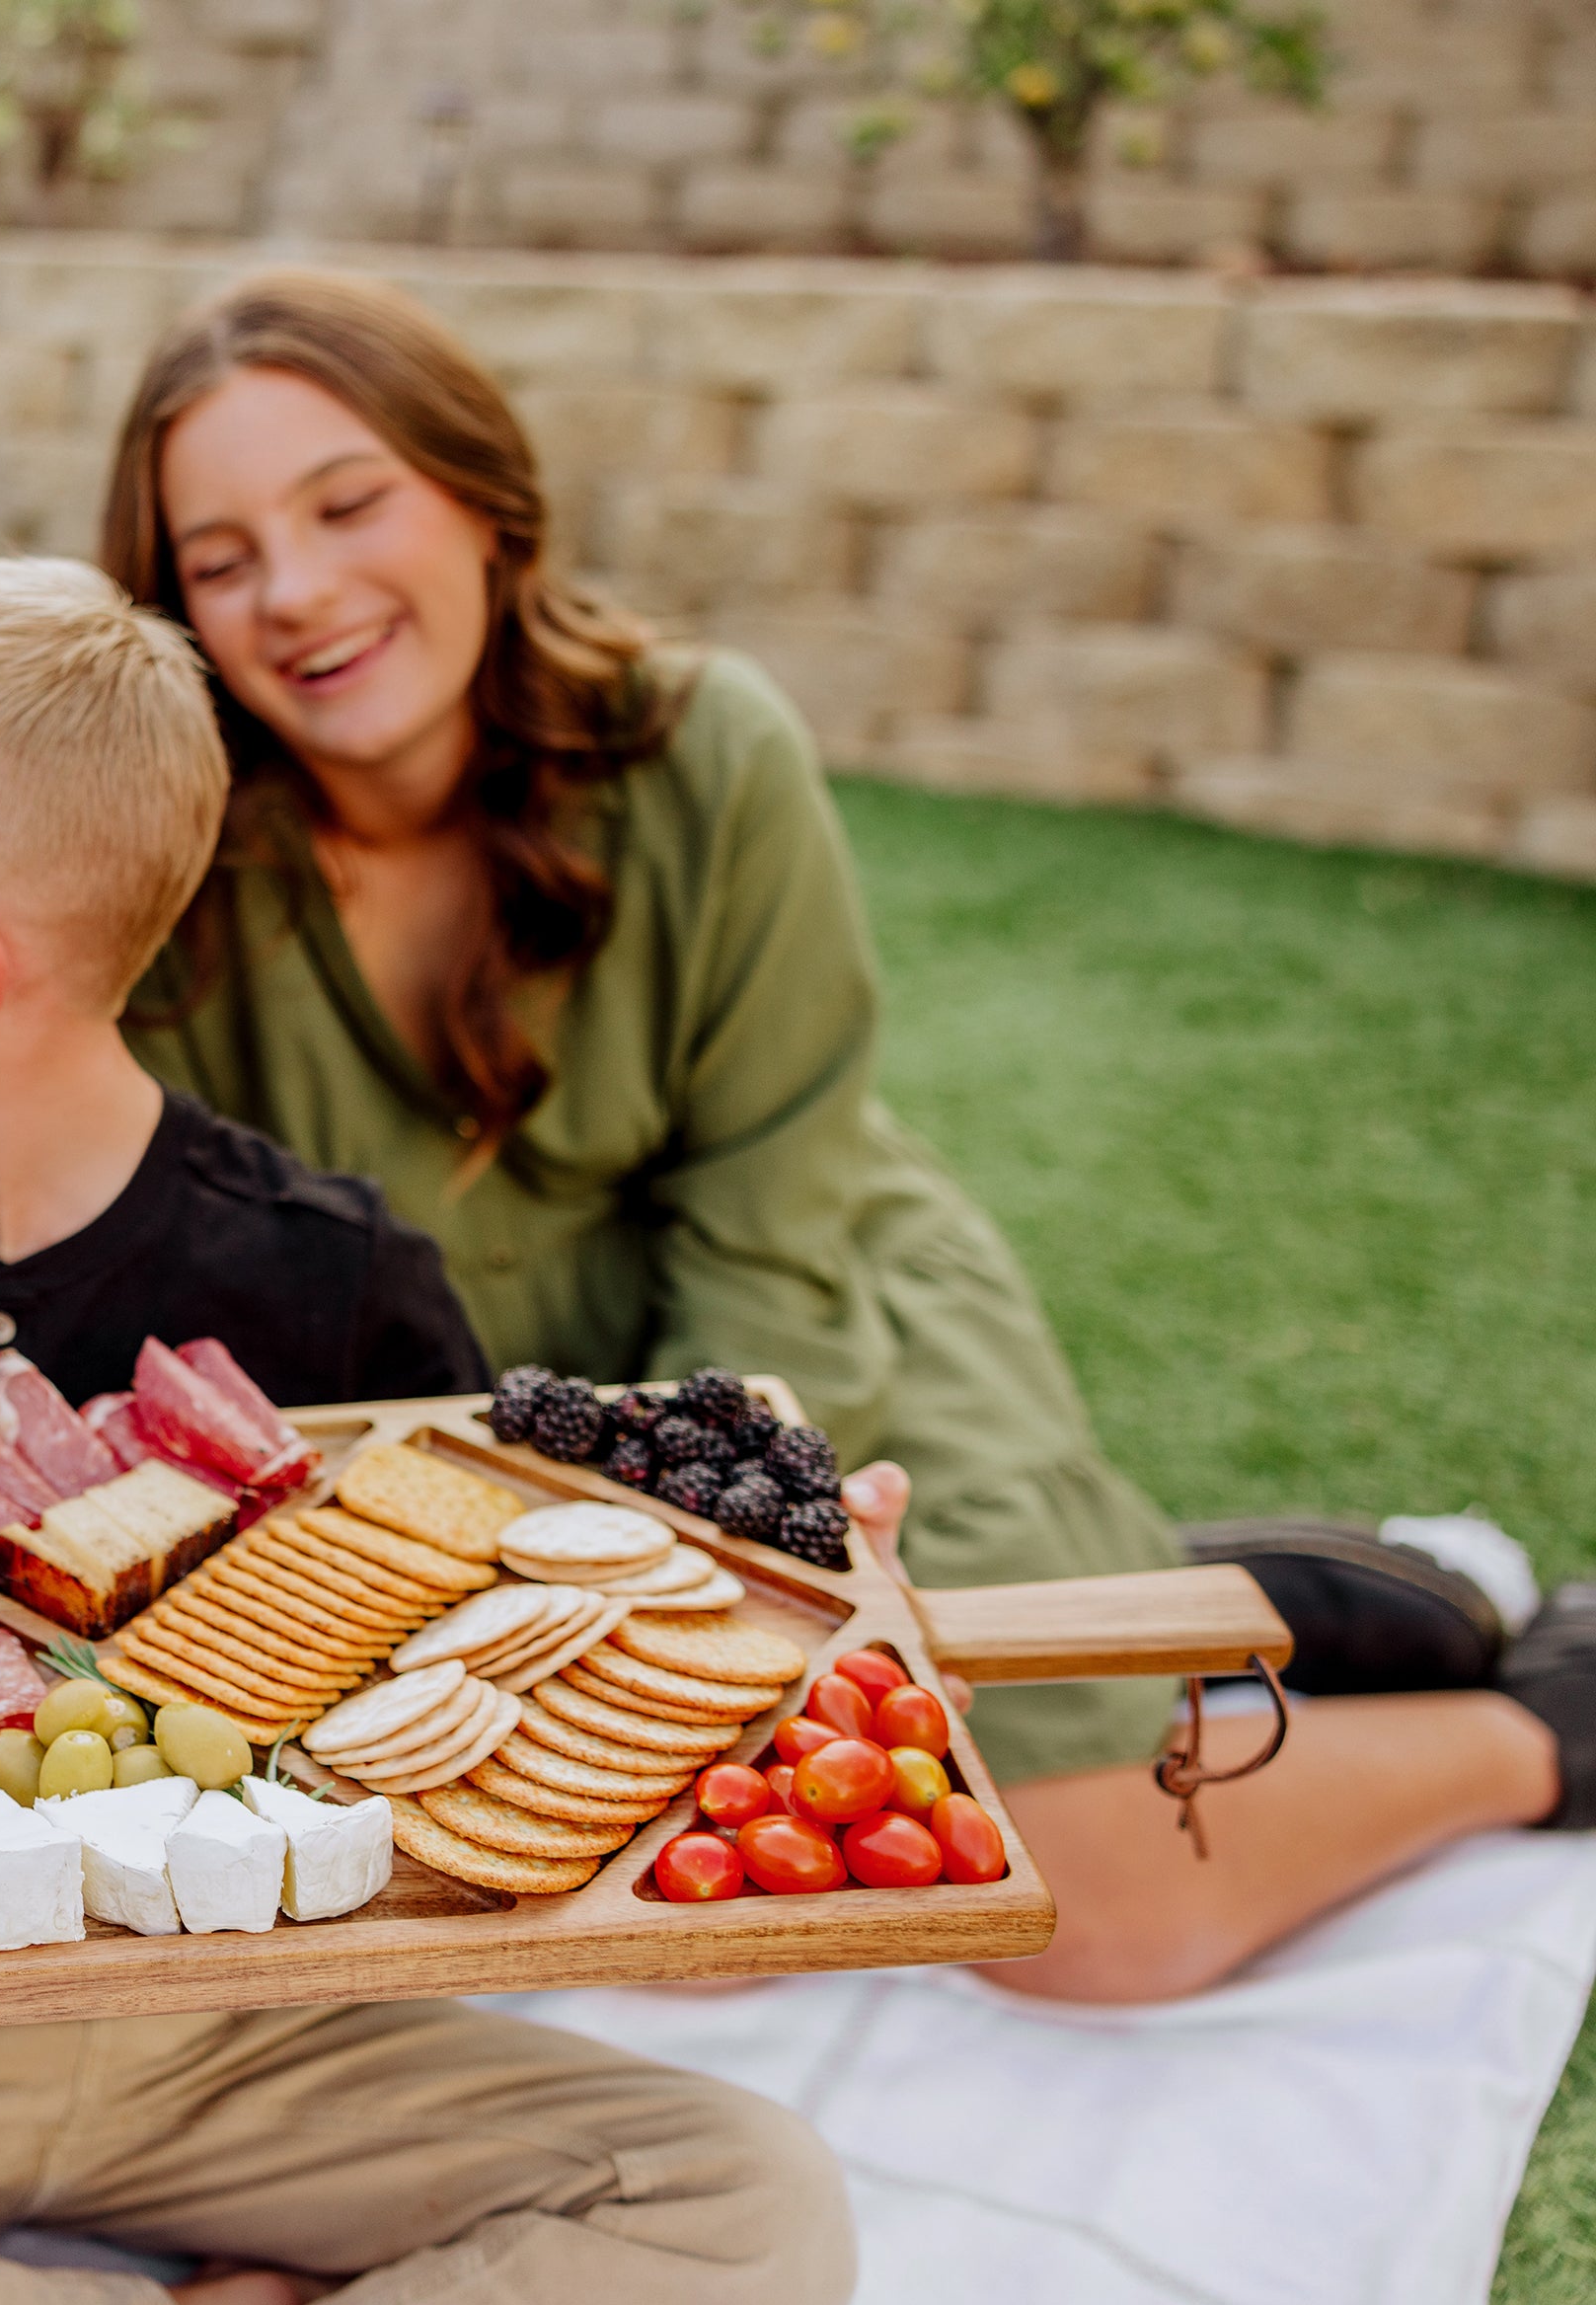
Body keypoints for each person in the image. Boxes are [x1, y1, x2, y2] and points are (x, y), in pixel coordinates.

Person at [96, 266, 1596, 2005]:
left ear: (485, 502)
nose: (295, 591)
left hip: (811, 1345)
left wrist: (681, 1580)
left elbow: (770, 1230)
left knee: (1094, 1917)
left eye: (350, 504)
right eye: (222, 558)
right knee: (634, 1902)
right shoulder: (171, 865)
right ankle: (1250, 1587)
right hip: (499, 1444)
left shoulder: (707, 752)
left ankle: (1540, 1720)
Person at [0, 557, 854, 2305]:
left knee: (755, 2210)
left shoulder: (335, 1277)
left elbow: (512, 1632)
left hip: (262, 2019)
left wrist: (778, 1615)